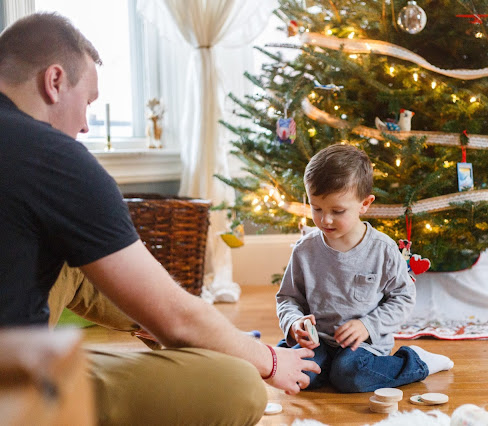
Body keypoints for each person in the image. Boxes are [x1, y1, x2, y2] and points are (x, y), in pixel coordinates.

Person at [0, 12, 320, 425]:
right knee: (237, 384)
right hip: (10, 387)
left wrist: (163, 320)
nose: (84, 123)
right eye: (89, 103)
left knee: (73, 262)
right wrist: (271, 360)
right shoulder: (53, 159)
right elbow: (178, 316)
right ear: (55, 81)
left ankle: (149, 324)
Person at [276, 144, 454, 393]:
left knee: (350, 374)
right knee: (299, 374)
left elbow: (403, 298)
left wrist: (367, 325)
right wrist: (294, 323)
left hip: (365, 345)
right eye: (317, 208)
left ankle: (418, 363)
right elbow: (287, 298)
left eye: (337, 211)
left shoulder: (382, 249)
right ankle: (325, 367)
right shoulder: (305, 250)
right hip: (320, 342)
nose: (325, 219)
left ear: (365, 204)